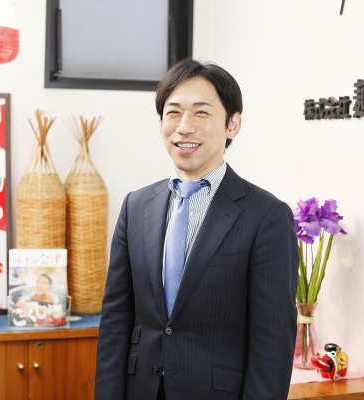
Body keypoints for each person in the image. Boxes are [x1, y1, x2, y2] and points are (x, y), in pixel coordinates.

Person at [95, 59, 299, 400]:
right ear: (160, 122)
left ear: (232, 124)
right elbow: (116, 319)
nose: (184, 127)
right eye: (173, 113)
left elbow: (273, 343)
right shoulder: (135, 206)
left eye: (201, 113)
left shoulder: (267, 215)